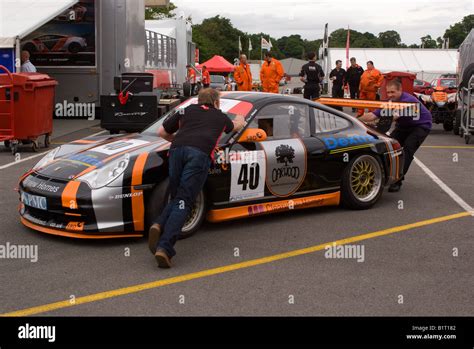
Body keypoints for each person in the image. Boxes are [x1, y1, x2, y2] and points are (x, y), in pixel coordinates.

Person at [149, 88, 246, 268]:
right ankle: (164, 247)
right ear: (216, 102)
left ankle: (159, 224)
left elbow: (162, 132)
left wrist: (183, 141)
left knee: (178, 195)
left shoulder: (185, 110)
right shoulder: (220, 116)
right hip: (199, 154)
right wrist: (240, 119)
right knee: (185, 201)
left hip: (176, 151)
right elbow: (236, 127)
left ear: (198, 101)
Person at [358, 79, 432, 192]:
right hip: (404, 126)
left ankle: (397, 180)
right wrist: (355, 120)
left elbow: (393, 117)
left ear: (400, 90)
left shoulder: (408, 100)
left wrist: (378, 123)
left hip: (420, 126)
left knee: (406, 150)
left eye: (393, 92)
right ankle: (384, 175)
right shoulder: (389, 102)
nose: (390, 95)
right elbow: (372, 115)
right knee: (389, 147)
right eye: (388, 92)